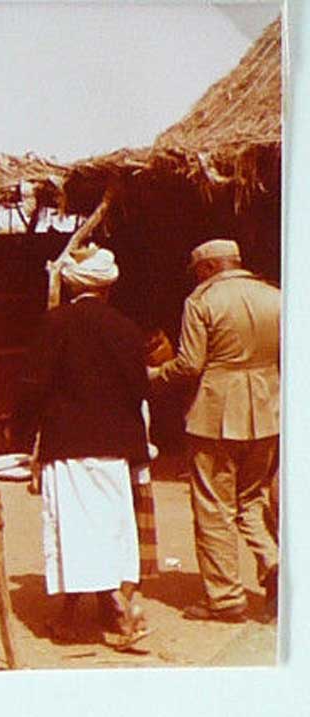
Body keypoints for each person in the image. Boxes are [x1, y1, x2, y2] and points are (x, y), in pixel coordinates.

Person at [12, 244, 150, 645]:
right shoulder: (126, 328)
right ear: (108, 286)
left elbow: (34, 386)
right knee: (111, 526)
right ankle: (113, 604)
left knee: (74, 530)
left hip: (67, 443)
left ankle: (81, 615)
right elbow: (140, 390)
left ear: (73, 286)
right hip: (115, 447)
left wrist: (23, 436)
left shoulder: (54, 323)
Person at [149, 239, 280, 623]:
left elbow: (190, 364)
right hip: (267, 410)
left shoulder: (202, 302)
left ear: (207, 268)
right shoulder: (274, 296)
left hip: (216, 413)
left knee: (213, 507)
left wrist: (156, 375)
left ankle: (224, 598)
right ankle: (274, 562)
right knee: (251, 498)